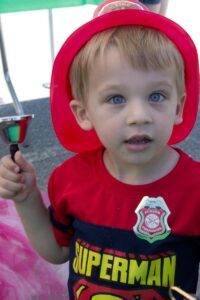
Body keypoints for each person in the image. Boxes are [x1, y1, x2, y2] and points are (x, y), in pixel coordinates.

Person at [0, 0, 199, 299]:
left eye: (156, 95)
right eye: (116, 99)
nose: (139, 116)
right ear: (84, 113)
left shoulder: (195, 188)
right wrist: (27, 199)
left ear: (179, 107)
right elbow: (57, 252)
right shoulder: (69, 179)